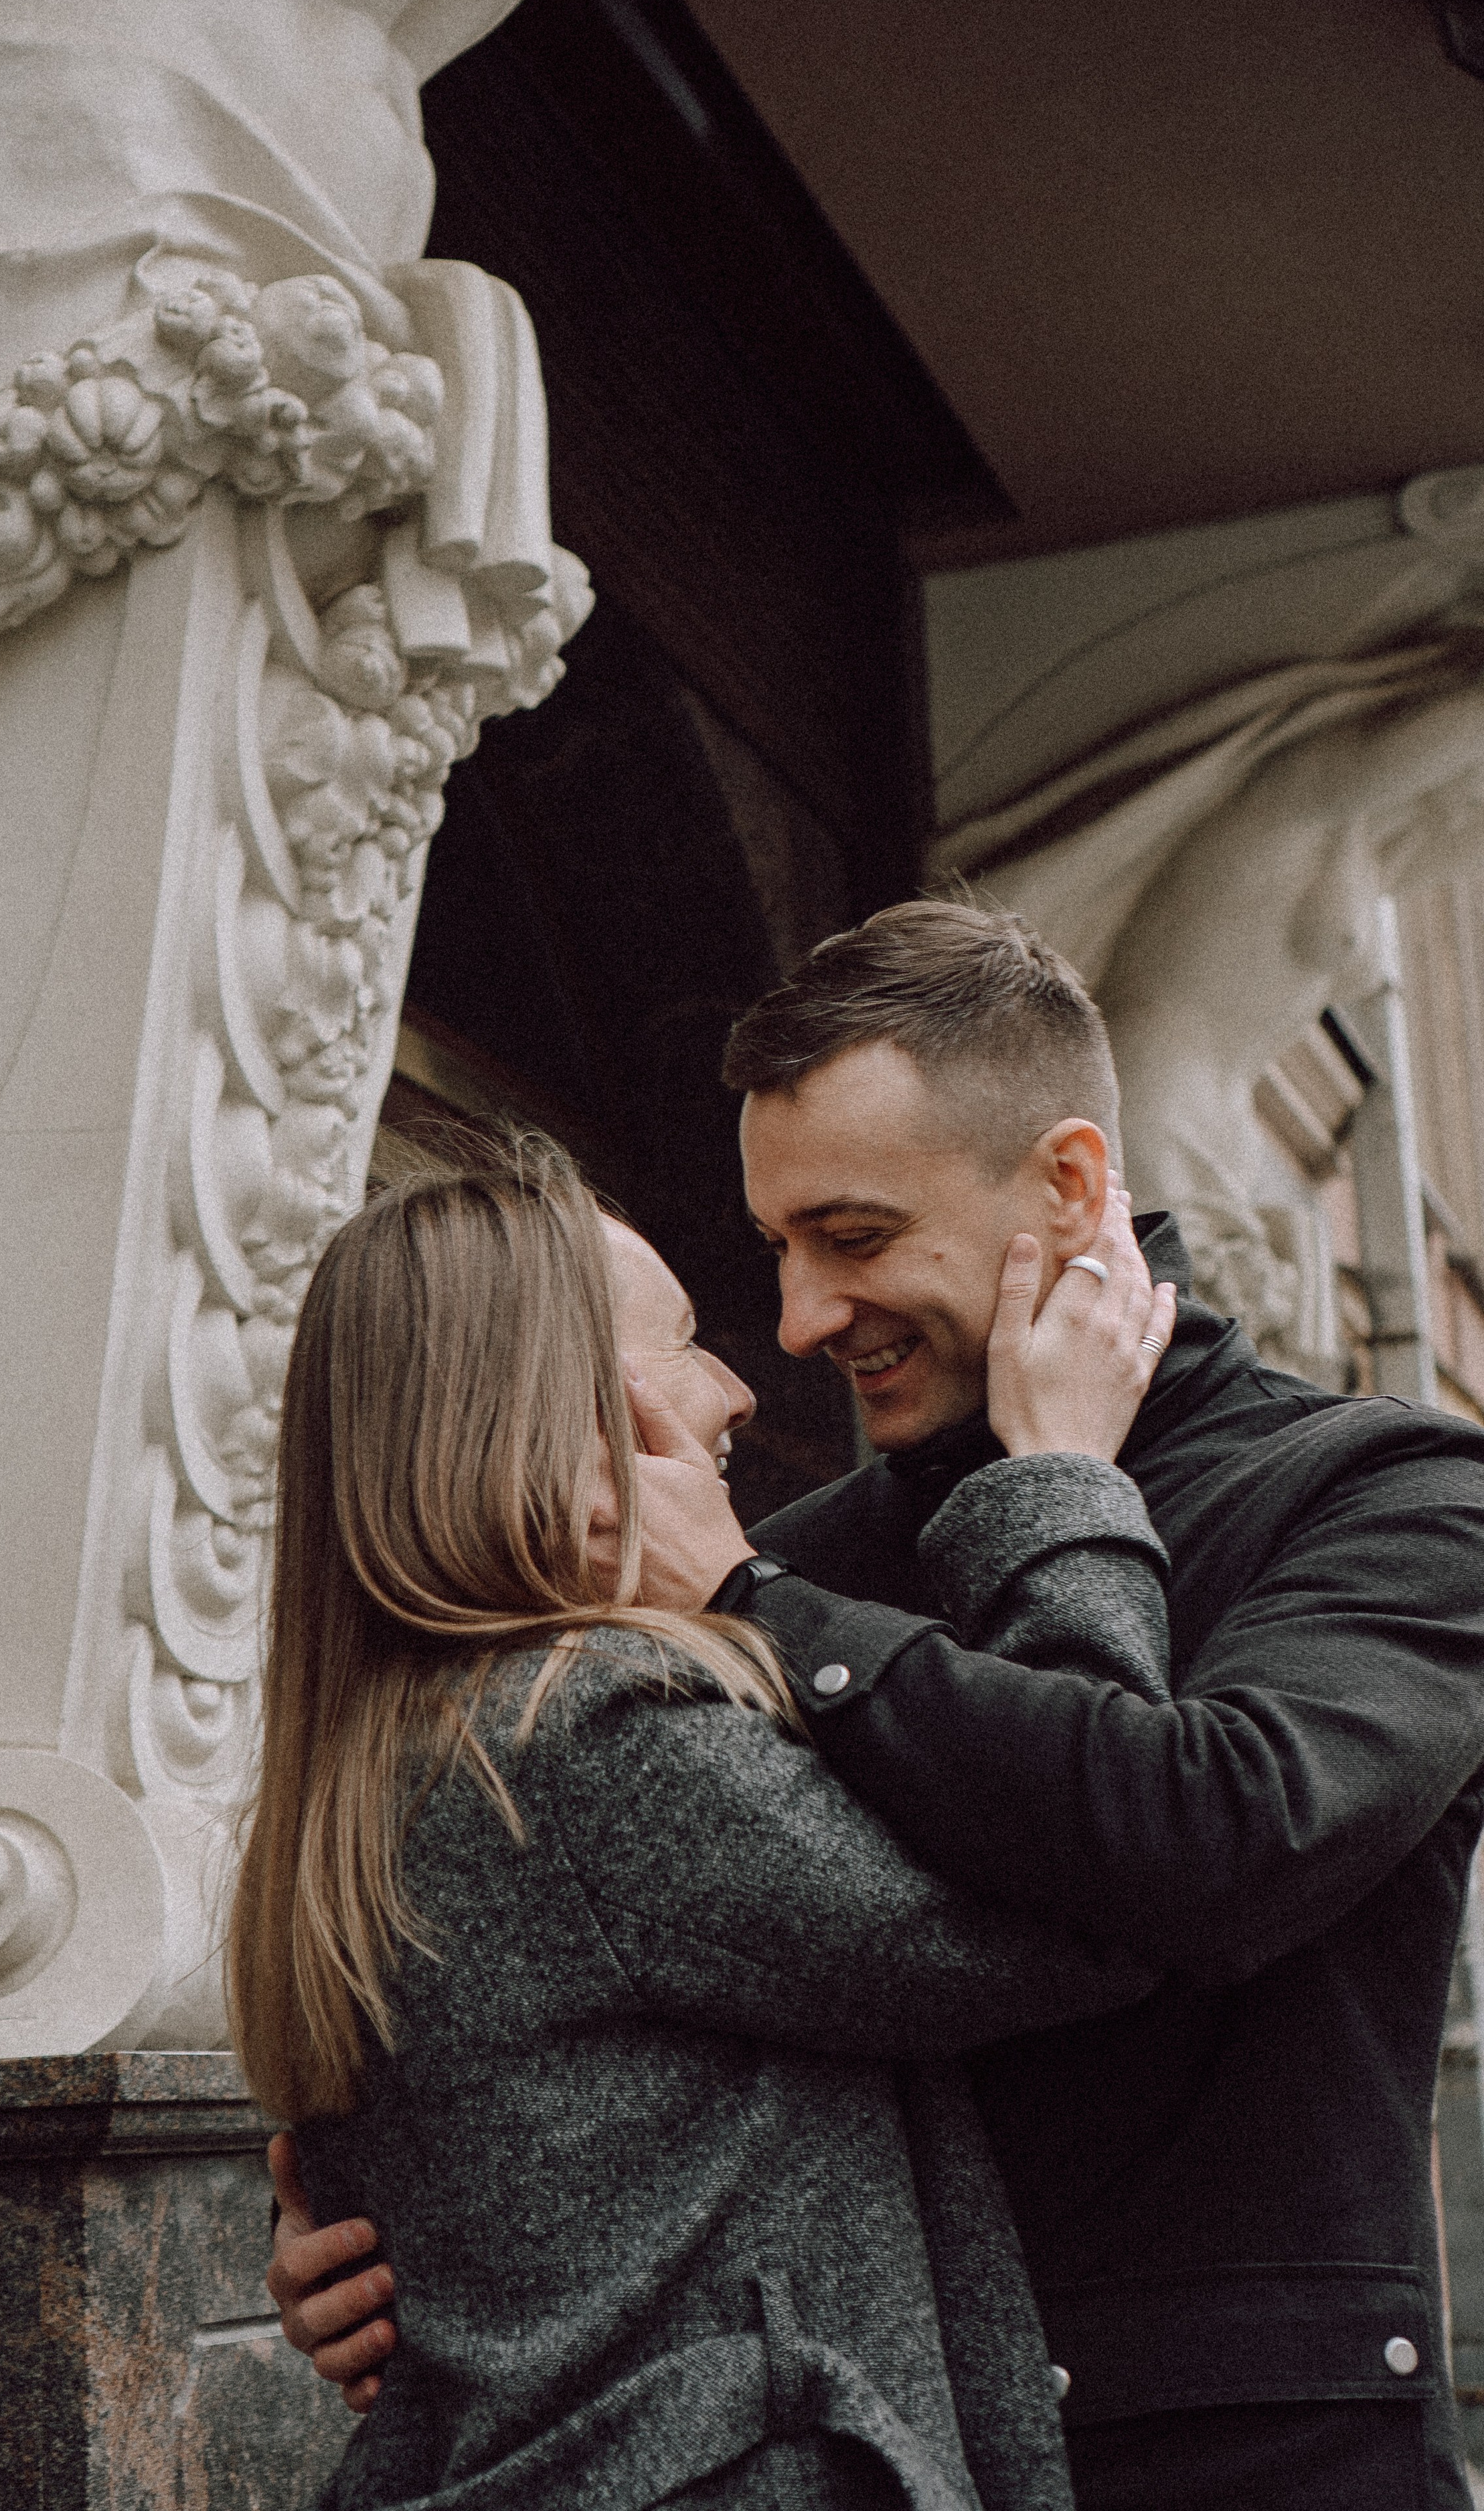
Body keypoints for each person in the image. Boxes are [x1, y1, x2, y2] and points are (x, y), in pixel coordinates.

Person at [275, 900, 1484, 2511]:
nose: (793, 1322)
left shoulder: (1382, 1496)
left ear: (1064, 1188)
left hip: (1241, 2458)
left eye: (848, 1237)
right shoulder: (773, 1564)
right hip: (902, 2445)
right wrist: (414, 2218)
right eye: (773, 1247)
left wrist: (831, 1580)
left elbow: (1211, 1838)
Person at [230, 1127, 1179, 2510]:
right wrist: (1057, 1483)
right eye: (682, 1341)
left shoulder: (398, 1751)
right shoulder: (587, 1740)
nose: (737, 1387)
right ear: (555, 1419)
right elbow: (1089, 1887)